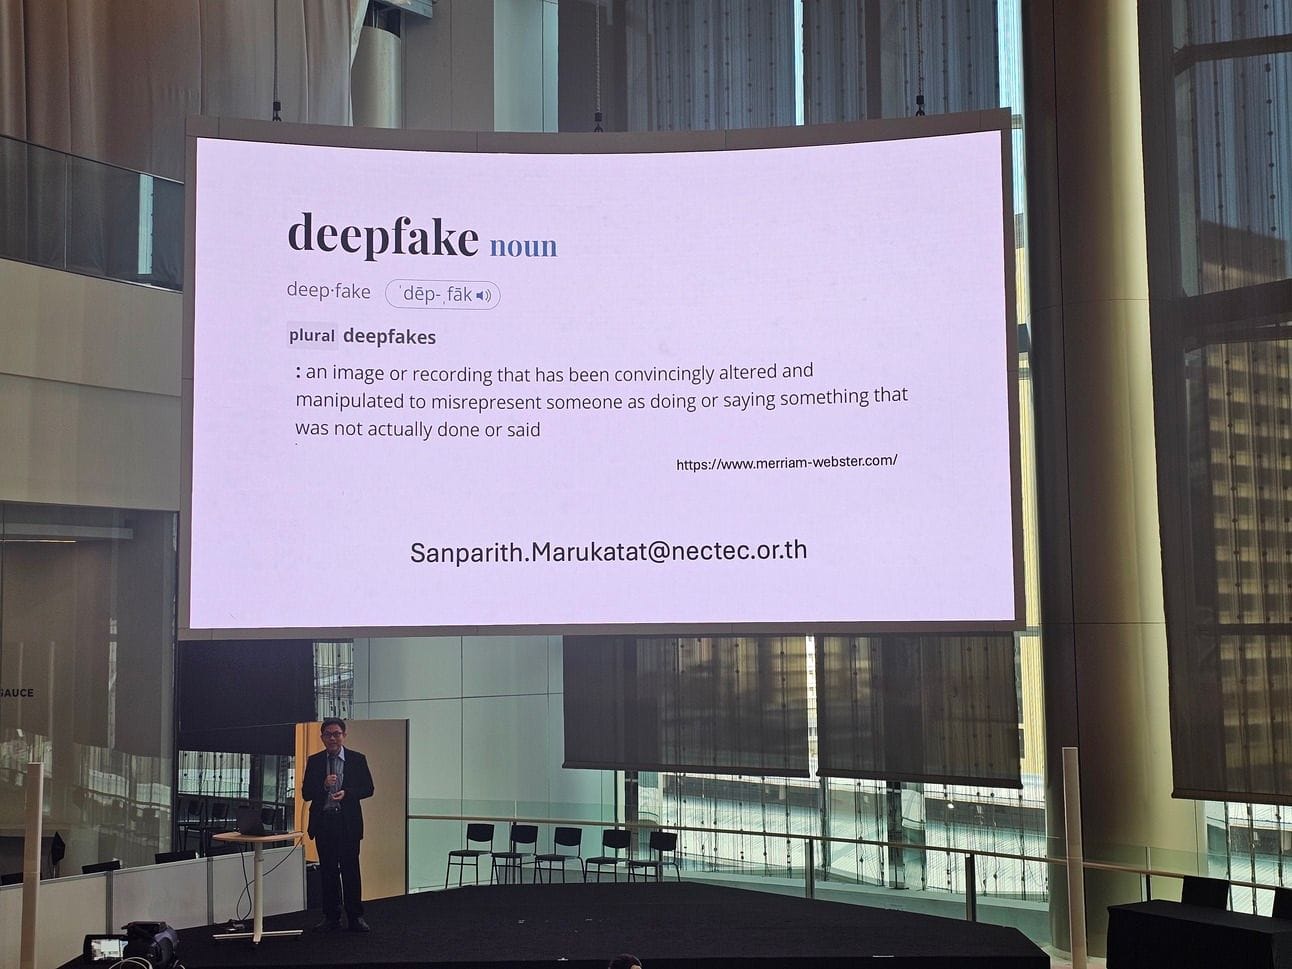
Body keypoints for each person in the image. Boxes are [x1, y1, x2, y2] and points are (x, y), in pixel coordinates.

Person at [301, 717, 375, 932]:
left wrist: (348, 793)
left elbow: (368, 788)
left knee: (351, 870)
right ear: (322, 737)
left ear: (344, 735)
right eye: (328, 734)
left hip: (347, 823)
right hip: (324, 823)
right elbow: (306, 793)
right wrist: (323, 785)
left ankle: (355, 917)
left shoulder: (357, 759)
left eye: (336, 734)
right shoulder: (315, 761)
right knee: (328, 871)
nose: (332, 738)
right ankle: (331, 917)